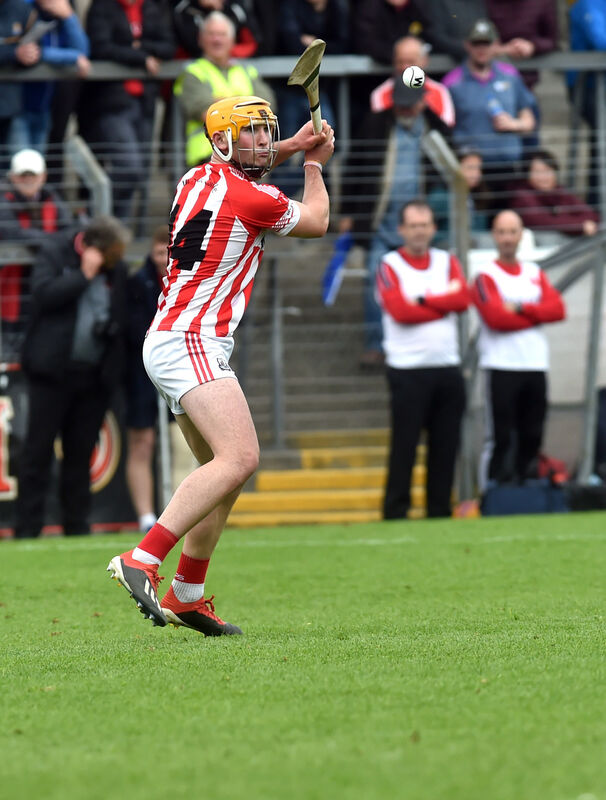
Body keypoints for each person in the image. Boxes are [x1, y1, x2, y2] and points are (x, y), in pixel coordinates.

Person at [107, 95, 334, 635]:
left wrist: (295, 142)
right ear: (224, 143)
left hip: (172, 337)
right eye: (251, 133)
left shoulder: (196, 177)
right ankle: (142, 559)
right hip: (192, 339)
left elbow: (247, 164)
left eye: (266, 131)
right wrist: (313, 164)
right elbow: (318, 221)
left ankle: (187, 595)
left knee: (221, 474)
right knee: (240, 457)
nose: (262, 141)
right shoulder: (253, 197)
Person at [14, 215, 130, 539]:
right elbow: (43, 295)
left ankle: (77, 526)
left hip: (93, 379)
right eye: (108, 258)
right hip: (51, 375)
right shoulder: (55, 252)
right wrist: (83, 275)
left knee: (80, 456)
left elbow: (120, 313)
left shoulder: (115, 269)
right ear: (94, 248)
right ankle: (28, 528)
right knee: (37, 452)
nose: (112, 264)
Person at [340, 78, 449, 367]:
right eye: (400, 103)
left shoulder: (436, 127)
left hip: (423, 225)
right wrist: (347, 212)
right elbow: (354, 167)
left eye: (409, 104)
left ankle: (425, 343)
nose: (404, 109)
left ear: (423, 101)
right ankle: (376, 346)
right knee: (375, 283)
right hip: (382, 223)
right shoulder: (375, 124)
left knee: (428, 284)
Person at [377, 200, 470, 519]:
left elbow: (463, 299)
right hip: (407, 370)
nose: (419, 231)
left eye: (425, 225)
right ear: (401, 230)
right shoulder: (390, 264)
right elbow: (400, 312)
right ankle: (395, 511)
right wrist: (441, 302)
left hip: (447, 367)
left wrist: (423, 299)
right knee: (405, 446)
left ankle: (439, 511)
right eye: (413, 225)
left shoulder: (447, 261)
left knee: (446, 447)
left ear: (433, 228)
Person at [472, 209, 566, 490]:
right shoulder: (485, 275)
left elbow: (558, 309)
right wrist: (536, 314)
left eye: (512, 232)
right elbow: (496, 318)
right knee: (501, 436)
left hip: (534, 364)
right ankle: (494, 490)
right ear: (494, 236)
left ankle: (527, 486)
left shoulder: (534, 272)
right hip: (501, 364)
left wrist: (522, 308)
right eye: (502, 232)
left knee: (533, 433)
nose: (507, 238)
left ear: (521, 235)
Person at [77, 0, 175, 223]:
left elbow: (168, 47)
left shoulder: (154, 7)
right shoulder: (102, 7)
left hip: (146, 101)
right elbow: (100, 48)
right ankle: (97, 219)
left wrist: (136, 48)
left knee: (137, 173)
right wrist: (141, 57)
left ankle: (114, 233)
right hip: (111, 102)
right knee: (129, 167)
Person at [173, 10, 274, 169]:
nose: (216, 39)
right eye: (211, 34)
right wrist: (246, 102)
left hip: (249, 156)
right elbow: (203, 112)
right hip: (208, 157)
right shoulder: (193, 72)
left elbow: (268, 107)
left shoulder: (247, 71)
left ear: (232, 40)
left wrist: (220, 103)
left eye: (222, 34)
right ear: (201, 39)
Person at [442, 19, 536, 184]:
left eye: (486, 43)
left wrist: (514, 124)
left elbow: (529, 120)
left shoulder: (510, 75)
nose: (481, 49)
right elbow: (442, 129)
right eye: (476, 43)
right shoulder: (452, 82)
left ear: (496, 45)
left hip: (509, 165)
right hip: (470, 171)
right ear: (467, 45)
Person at [0, 148, 73, 359]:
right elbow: (12, 232)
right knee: (11, 346)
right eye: (23, 175)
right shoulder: (4, 201)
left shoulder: (53, 200)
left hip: (46, 281)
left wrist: (41, 241)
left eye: (33, 175)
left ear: (43, 177)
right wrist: (53, 241)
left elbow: (69, 230)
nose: (28, 180)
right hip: (12, 284)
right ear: (13, 177)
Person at [125, 224, 170, 534]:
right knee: (143, 441)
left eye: (167, 252)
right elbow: (130, 326)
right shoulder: (137, 282)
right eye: (157, 252)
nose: (162, 259)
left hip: (177, 371)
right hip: (142, 373)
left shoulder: (189, 280)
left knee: (183, 441)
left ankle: (178, 512)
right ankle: (146, 515)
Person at [9, 0, 90, 155]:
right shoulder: (24, 8)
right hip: (18, 106)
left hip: (45, 106)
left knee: (38, 167)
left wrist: (69, 17)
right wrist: (71, 57)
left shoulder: (62, 13)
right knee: (20, 166)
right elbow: (33, 52)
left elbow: (83, 51)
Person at [510, 148, 600, 241]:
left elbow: (591, 215)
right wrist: (579, 226)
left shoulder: (560, 191)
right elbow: (542, 222)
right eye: (537, 172)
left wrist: (566, 222)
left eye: (547, 170)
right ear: (527, 175)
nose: (543, 177)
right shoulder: (522, 196)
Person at [370, 35, 456, 128]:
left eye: (411, 62)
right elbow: (377, 133)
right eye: (400, 61)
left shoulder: (439, 91)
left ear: (424, 61)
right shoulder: (380, 93)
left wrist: (426, 109)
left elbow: (446, 133)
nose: (405, 67)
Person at [486, 0, 559, 90]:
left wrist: (532, 46)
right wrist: (500, 49)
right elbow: (476, 35)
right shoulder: (488, 4)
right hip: (489, 78)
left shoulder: (542, 3)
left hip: (526, 78)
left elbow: (552, 40)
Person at [427, 147, 492, 248]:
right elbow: (430, 234)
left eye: (478, 168)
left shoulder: (478, 195)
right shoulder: (440, 198)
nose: (476, 173)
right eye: (470, 168)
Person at [0, 0, 37, 157]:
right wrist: (13, 54)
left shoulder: (22, 9)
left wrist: (32, 54)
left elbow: (36, 45)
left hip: (13, 105)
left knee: (22, 166)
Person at [171, 0, 262, 59]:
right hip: (192, 68)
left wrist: (227, 53)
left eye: (222, 34)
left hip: (232, 66)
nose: (217, 39)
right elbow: (189, 46)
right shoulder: (183, 9)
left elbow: (252, 43)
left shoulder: (236, 8)